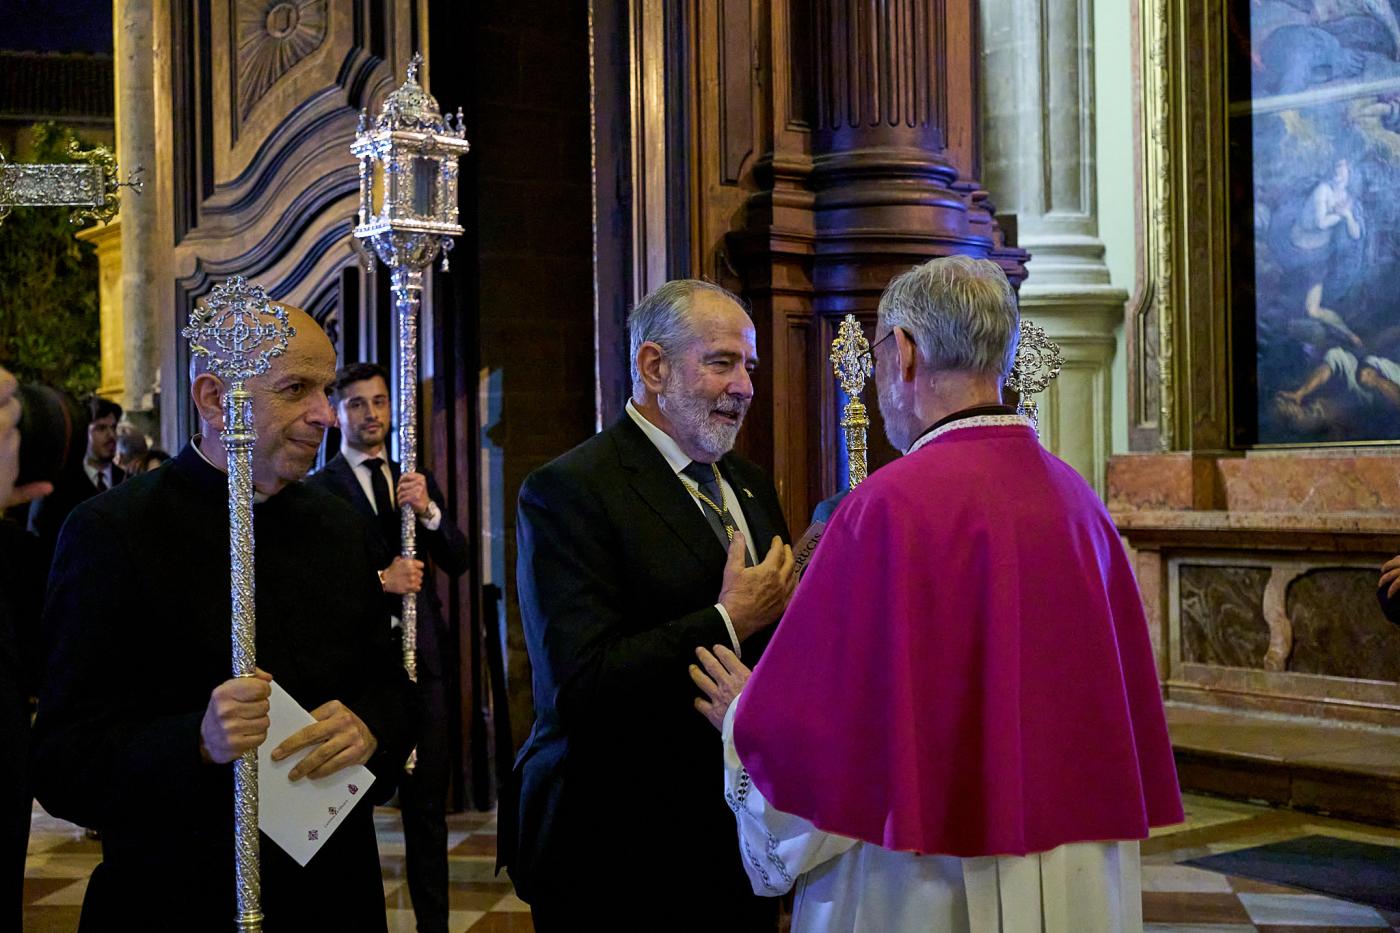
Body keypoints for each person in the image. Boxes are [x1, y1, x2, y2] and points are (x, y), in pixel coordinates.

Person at [692, 256, 1184, 933]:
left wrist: (747, 717)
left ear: (903, 351)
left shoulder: (887, 507)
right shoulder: (1079, 503)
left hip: (920, 878)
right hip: (1073, 862)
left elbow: (827, 731)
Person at [31, 306, 419, 930]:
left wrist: (370, 726)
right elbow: (61, 761)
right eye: (296, 389)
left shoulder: (338, 525)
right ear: (215, 398)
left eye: (325, 389)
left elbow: (397, 690)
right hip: (177, 895)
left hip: (333, 894)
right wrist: (197, 741)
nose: (324, 414)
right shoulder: (112, 532)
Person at [502, 279, 797, 931]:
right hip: (616, 845)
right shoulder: (569, 490)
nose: (745, 386)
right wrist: (727, 620)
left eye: (748, 366)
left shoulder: (747, 484)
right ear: (653, 366)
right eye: (721, 362)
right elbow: (577, 685)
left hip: (735, 832)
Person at [308, 361, 469, 933]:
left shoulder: (410, 478)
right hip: (361, 672)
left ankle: (435, 926)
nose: (371, 414)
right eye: (357, 404)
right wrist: (382, 582)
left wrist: (427, 510)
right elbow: (317, 588)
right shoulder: (318, 489)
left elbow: (458, 556)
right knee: (351, 809)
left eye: (380, 402)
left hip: (423, 666)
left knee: (428, 811)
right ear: (337, 413)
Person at [27, 395, 124, 566]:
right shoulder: (57, 487)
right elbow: (38, 546)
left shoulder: (127, 480)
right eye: (101, 428)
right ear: (83, 432)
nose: (111, 436)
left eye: (113, 427)